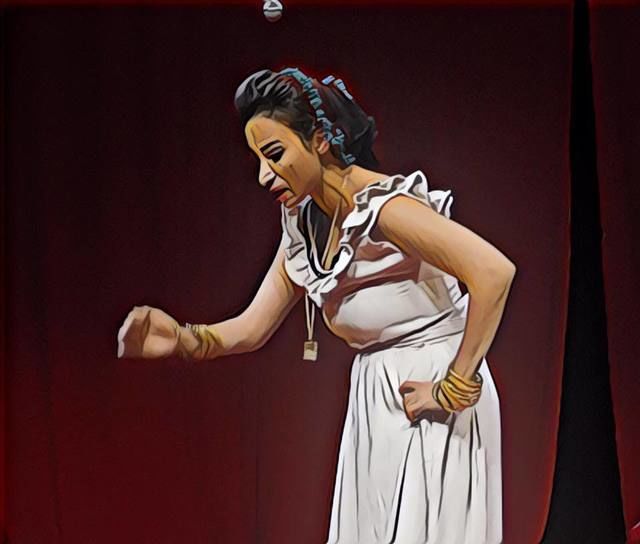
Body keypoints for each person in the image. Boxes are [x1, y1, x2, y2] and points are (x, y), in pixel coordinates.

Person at [117, 67, 515, 544]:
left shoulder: (384, 209)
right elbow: (251, 328)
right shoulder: (306, 224)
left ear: (321, 140)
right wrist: (184, 339)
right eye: (258, 160)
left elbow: (493, 273)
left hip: (429, 389)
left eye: (275, 155)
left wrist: (452, 389)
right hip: (377, 397)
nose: (264, 175)